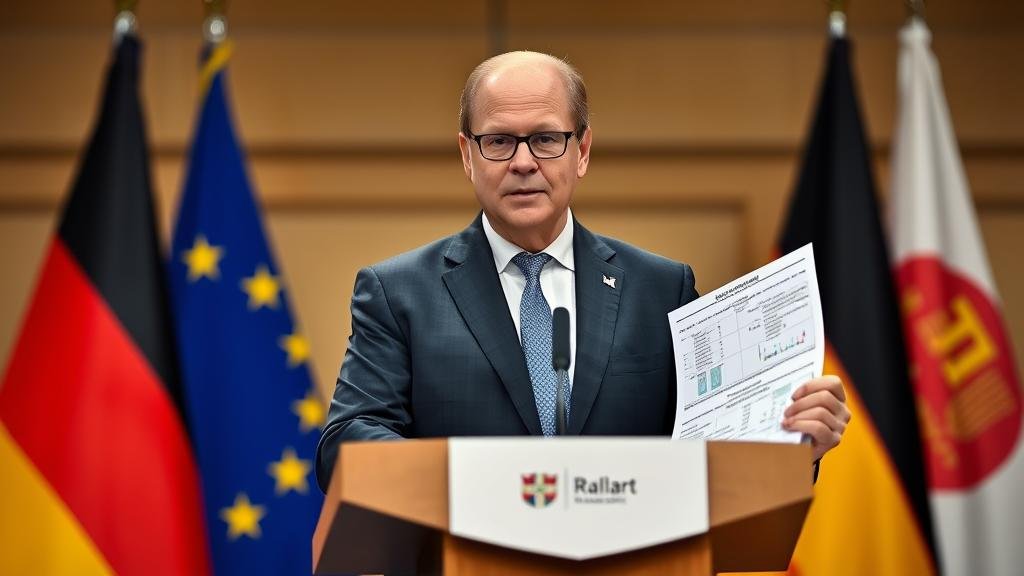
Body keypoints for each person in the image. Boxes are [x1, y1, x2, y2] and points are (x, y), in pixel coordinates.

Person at [315, 51, 850, 492]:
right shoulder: (397, 293)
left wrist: (793, 444)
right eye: (499, 141)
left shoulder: (662, 290)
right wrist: (481, 484)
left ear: (583, 150)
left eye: (547, 139)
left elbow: (711, 453)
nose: (524, 162)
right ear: (466, 155)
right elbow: (346, 440)